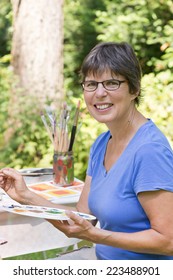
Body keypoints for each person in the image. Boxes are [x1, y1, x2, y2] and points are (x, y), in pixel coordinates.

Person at [1, 42, 173, 260]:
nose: (99, 93)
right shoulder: (101, 143)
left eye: (111, 83)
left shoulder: (150, 151)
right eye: (91, 84)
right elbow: (83, 220)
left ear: (134, 89)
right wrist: (25, 196)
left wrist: (97, 235)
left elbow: (168, 241)